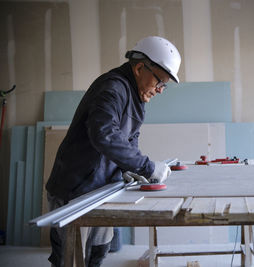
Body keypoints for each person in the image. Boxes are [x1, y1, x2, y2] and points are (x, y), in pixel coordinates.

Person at [45, 36, 181, 267]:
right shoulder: (112, 88)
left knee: (98, 253)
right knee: (69, 258)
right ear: (139, 68)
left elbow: (130, 141)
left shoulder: (137, 99)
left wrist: (129, 168)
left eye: (163, 86)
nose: (160, 90)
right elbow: (104, 135)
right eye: (160, 82)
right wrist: (147, 167)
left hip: (101, 189)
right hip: (75, 189)